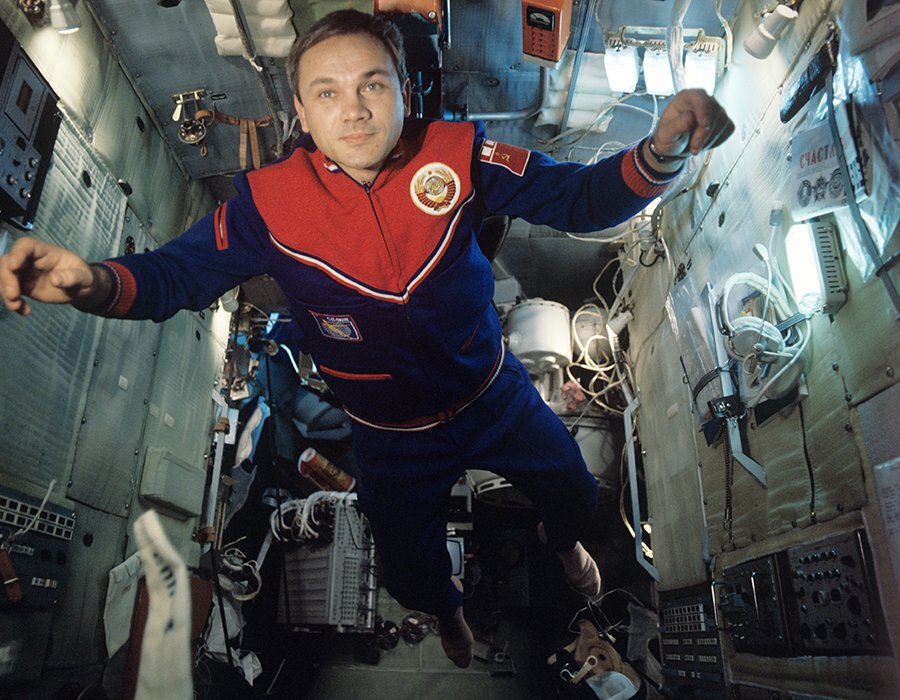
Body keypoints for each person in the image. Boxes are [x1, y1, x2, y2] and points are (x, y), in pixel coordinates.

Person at [0, 9, 733, 668]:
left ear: (405, 91)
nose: (352, 110)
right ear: (300, 110)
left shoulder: (460, 154)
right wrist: (90, 281)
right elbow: (173, 276)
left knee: (573, 492)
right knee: (410, 568)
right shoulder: (268, 206)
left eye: (372, 85)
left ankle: (562, 544)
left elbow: (578, 197)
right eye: (327, 92)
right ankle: (450, 616)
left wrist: (661, 150)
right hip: (391, 434)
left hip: (491, 395)